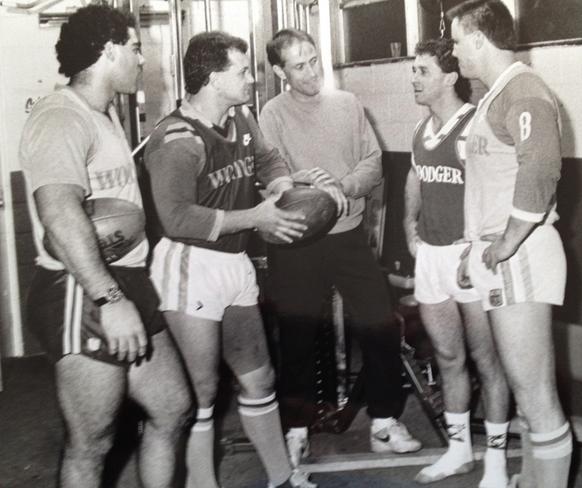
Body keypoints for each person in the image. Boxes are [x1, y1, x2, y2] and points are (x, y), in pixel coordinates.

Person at [144, 31, 330, 488]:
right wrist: (256, 217)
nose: (251, 77)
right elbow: (175, 217)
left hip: (234, 263)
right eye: (242, 71)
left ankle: (282, 478)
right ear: (212, 78)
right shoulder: (177, 138)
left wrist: (287, 188)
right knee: (203, 392)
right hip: (191, 265)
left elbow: (267, 161)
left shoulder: (241, 118)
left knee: (260, 378)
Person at [18, 5, 193, 488]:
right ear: (109, 50)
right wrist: (109, 300)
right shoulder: (60, 116)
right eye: (136, 49)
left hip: (126, 280)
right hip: (82, 288)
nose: (143, 59)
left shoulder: (105, 112)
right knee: (92, 442)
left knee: (172, 408)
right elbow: (58, 214)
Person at [260, 28, 422, 466]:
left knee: (380, 324)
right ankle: (295, 431)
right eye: (299, 65)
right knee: (296, 336)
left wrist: (343, 187)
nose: (312, 71)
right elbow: (271, 173)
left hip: (347, 236)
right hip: (297, 239)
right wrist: (305, 184)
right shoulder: (271, 114)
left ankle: (384, 423)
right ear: (280, 72)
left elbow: (374, 163)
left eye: (314, 59)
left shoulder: (348, 105)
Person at [449, 1, 573, 487]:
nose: (454, 51)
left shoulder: (523, 89)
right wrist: (472, 248)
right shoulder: (494, 94)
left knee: (536, 395)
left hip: (523, 254)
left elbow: (539, 168)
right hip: (504, 253)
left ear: (479, 39)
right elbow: (493, 182)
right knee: (528, 395)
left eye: (458, 40)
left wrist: (504, 243)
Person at [404, 38, 511, 487]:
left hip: (469, 256)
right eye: (414, 70)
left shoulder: (475, 125)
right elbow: (415, 174)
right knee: (448, 358)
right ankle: (459, 451)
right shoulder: (421, 130)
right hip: (431, 256)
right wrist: (409, 227)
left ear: (449, 78)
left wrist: (476, 246)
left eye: (422, 71)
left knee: (487, 361)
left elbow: (495, 190)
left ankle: (498, 463)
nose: (414, 78)